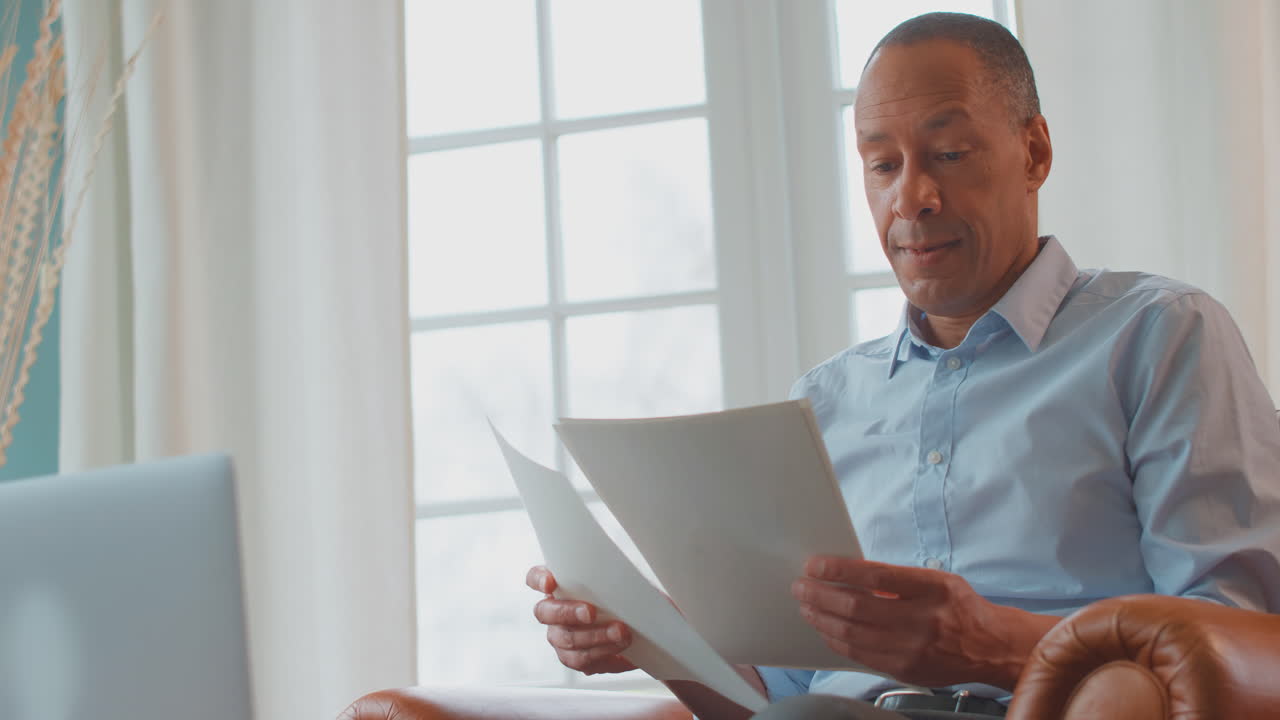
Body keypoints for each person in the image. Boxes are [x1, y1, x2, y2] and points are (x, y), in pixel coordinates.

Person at [526, 12, 1280, 720]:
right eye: (882, 164)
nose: (910, 198)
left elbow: (1236, 640)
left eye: (949, 155)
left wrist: (995, 645)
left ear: (1035, 152)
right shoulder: (823, 403)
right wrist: (658, 636)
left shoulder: (1158, 335)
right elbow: (780, 692)